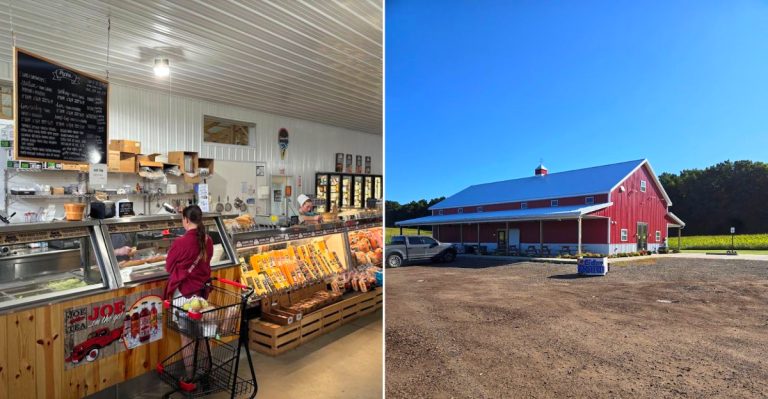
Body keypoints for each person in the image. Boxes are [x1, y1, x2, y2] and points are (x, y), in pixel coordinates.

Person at [164, 205, 213, 382]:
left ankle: (190, 378)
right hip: (202, 294)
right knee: (202, 335)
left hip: (184, 296)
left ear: (185, 220)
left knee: (187, 339)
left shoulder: (180, 242)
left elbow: (169, 267)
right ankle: (207, 372)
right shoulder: (207, 239)